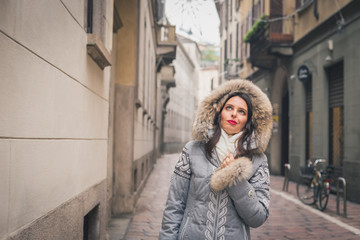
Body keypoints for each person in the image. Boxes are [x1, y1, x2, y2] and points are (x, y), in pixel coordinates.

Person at [159, 79, 273, 240]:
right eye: (229, 108)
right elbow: (174, 206)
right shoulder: (192, 150)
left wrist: (235, 178)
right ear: (218, 113)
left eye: (242, 111)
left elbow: (258, 218)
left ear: (248, 121)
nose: (234, 114)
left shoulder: (258, 160)